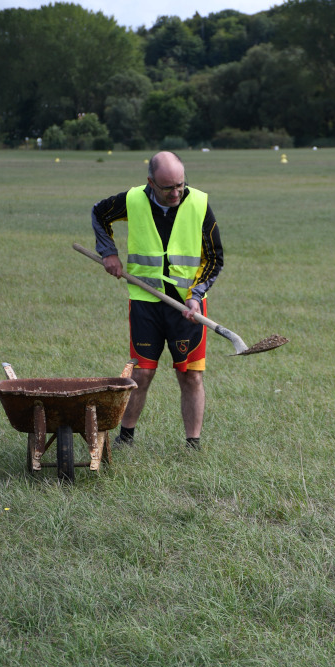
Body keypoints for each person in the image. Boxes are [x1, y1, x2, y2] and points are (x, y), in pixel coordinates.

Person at [92, 151, 224, 449]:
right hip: (145, 302)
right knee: (141, 372)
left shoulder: (199, 203)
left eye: (180, 184)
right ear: (151, 182)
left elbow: (215, 258)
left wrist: (196, 295)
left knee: (191, 376)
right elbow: (99, 214)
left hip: (187, 307)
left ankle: (193, 444)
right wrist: (108, 252)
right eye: (168, 188)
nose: (176, 192)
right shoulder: (132, 200)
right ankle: (126, 438)